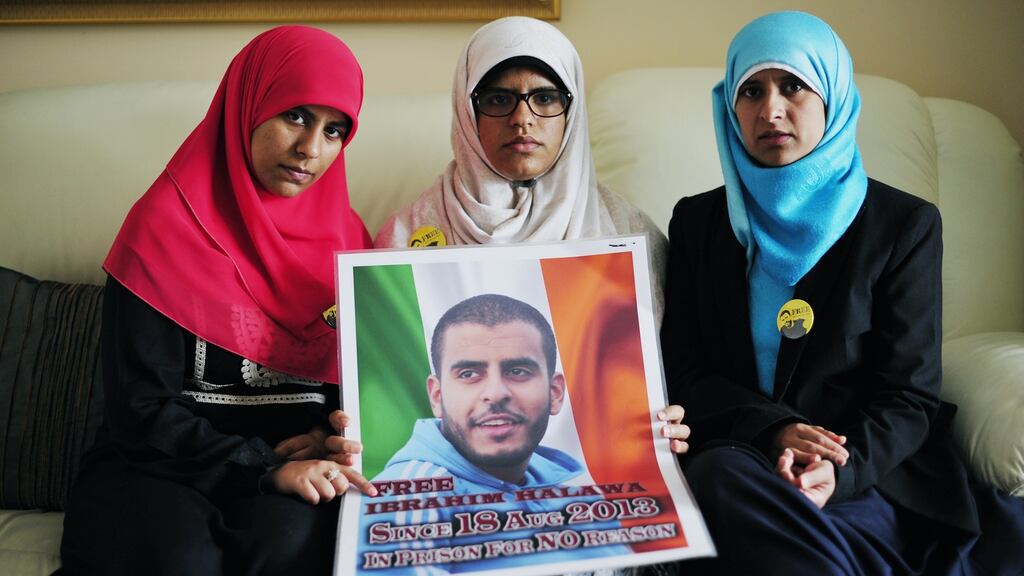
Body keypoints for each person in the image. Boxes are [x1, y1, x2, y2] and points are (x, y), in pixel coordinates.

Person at [660, 11, 1024, 575]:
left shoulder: (902, 225)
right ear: (729, 106)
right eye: (751, 91)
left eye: (793, 86)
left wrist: (836, 468)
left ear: (832, 96)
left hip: (867, 472)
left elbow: (909, 395)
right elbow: (684, 373)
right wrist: (774, 431)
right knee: (718, 479)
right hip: (741, 461)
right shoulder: (697, 224)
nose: (770, 109)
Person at [58, 26, 377, 576]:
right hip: (161, 465)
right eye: (295, 116)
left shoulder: (350, 243)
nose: (311, 149)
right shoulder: (163, 228)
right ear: (246, 107)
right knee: (179, 560)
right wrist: (260, 467)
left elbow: (358, 393)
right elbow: (139, 410)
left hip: (298, 471)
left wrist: (330, 436)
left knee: (292, 548)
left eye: (334, 130)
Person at [373, 16, 669, 321]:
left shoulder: (628, 230)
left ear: (571, 112)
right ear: (468, 112)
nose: (522, 119)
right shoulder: (405, 234)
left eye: (545, 98)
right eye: (499, 99)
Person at [361, 294, 630, 572]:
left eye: (518, 371)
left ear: (555, 393)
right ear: (437, 396)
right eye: (468, 374)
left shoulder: (574, 484)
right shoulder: (405, 501)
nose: (496, 393)